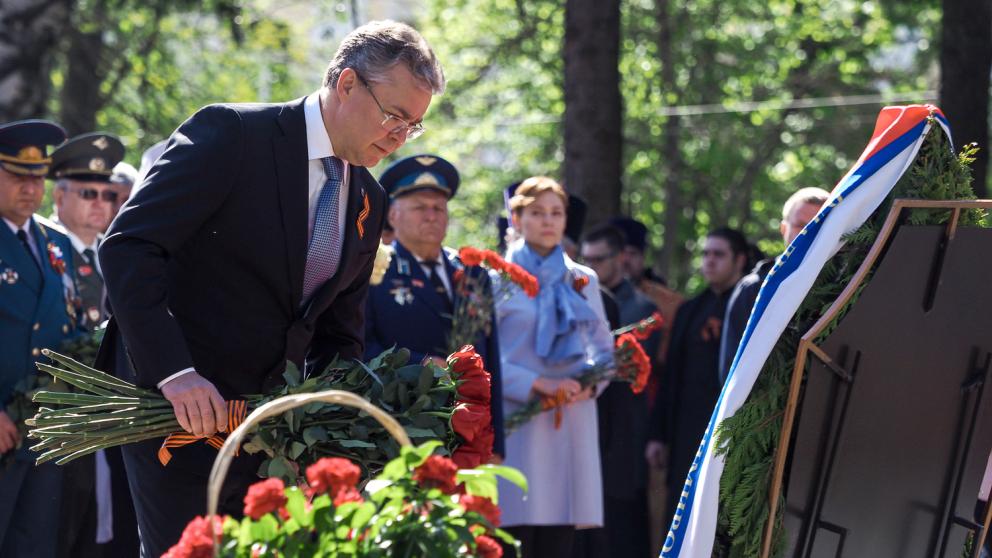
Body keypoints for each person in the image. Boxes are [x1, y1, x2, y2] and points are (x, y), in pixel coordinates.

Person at [97, 20, 443, 557]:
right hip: (180, 413)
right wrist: (176, 373)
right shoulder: (233, 134)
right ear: (347, 83)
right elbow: (129, 247)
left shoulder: (369, 202)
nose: (400, 136)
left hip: (274, 436)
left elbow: (337, 336)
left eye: (413, 126)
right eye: (394, 115)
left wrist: (325, 435)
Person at [496, 176, 614, 558]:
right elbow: (476, 356)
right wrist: (535, 383)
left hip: (569, 418)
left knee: (558, 543)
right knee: (511, 535)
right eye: (537, 212)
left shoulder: (582, 279)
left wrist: (584, 383)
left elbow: (604, 352)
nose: (548, 221)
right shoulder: (495, 278)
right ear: (517, 218)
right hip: (517, 422)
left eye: (556, 213)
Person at [364, 154, 504, 457]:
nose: (431, 216)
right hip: (399, 430)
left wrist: (497, 441)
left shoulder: (473, 274)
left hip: (469, 436)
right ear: (393, 216)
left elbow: (491, 357)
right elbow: (361, 348)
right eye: (419, 208)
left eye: (439, 208)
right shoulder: (374, 270)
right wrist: (421, 363)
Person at [0, 119, 75, 558]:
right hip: (3, 425)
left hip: (42, 429)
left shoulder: (53, 243)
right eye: (16, 175)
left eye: (38, 176)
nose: (30, 187)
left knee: (35, 544)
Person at [644, 226, 749, 526]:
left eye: (719, 254)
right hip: (685, 435)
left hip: (728, 433)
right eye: (706, 254)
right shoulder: (690, 310)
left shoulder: (749, 306)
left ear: (739, 260)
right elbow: (670, 376)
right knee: (679, 516)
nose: (710, 261)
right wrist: (657, 435)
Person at [579, 223, 658, 557]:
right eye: (586, 259)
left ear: (620, 259)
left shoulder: (639, 309)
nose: (591, 267)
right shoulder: (580, 297)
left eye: (598, 260)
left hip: (624, 434)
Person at [718, 187, 830, 379]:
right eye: (800, 226)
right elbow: (732, 372)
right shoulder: (754, 288)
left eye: (817, 226)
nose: (807, 234)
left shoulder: (842, 285)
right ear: (783, 229)